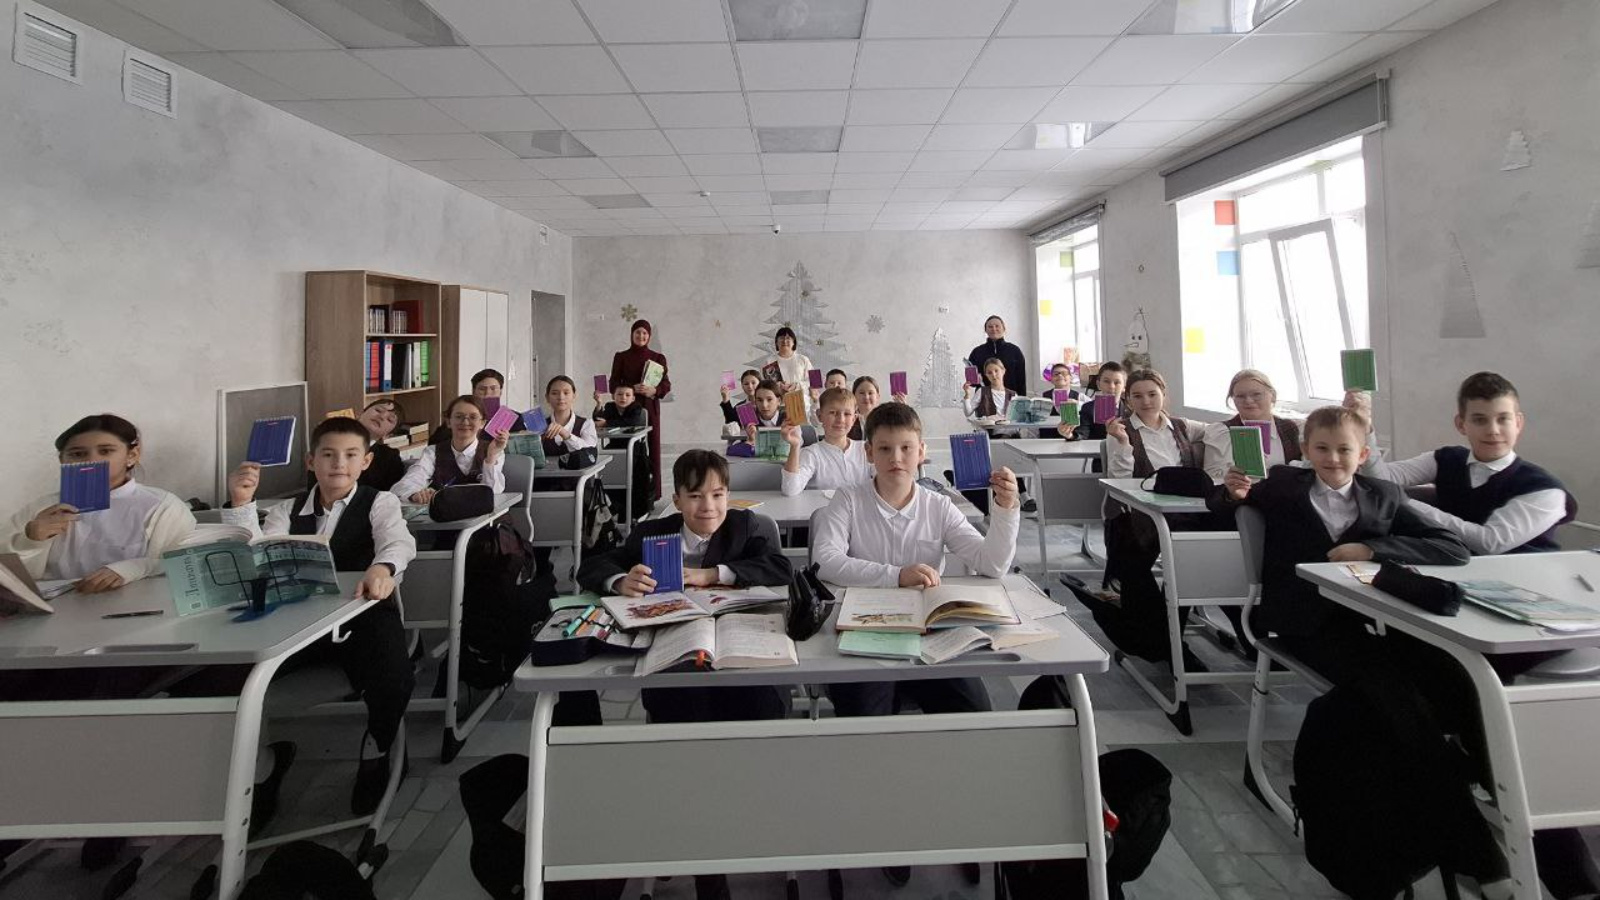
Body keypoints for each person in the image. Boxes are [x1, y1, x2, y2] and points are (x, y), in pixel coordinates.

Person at [225, 417, 418, 815]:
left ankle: (377, 746)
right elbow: (258, 555)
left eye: (350, 455)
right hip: (295, 621)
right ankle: (261, 767)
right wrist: (242, 504)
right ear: (311, 461)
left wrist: (382, 568)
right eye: (328, 455)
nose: (339, 464)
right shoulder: (287, 509)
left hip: (361, 617)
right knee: (228, 681)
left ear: (365, 461)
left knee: (394, 674)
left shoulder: (378, 502)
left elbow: (397, 541)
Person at [812, 402, 1021, 718]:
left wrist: (1006, 509)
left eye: (906, 448)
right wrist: (896, 576)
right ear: (869, 452)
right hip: (867, 626)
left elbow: (992, 564)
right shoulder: (848, 499)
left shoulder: (939, 506)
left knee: (974, 712)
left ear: (921, 451)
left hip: (931, 631)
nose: (896, 458)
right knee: (866, 715)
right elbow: (825, 560)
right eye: (885, 448)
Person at [1360, 372, 1575, 554]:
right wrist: (1364, 428)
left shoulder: (1546, 489)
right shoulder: (1447, 459)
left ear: (1518, 423)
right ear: (1461, 424)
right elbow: (1381, 480)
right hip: (1453, 571)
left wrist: (1402, 501)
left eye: (1503, 419)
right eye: (1480, 420)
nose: (1493, 430)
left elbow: (1489, 543)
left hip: (1526, 583)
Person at [1, 413, 195, 593]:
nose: (91, 460)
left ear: (132, 455)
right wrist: (30, 539)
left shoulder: (162, 507)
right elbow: (9, 576)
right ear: (62, 460)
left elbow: (187, 566)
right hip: (57, 609)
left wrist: (136, 567)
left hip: (136, 608)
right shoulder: (42, 508)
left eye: (105, 451)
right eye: (78, 454)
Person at [392, 395, 508, 503]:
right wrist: (415, 494)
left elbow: (494, 493)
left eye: (473, 417)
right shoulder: (433, 452)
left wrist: (490, 459)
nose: (465, 422)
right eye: (459, 417)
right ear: (448, 422)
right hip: (446, 515)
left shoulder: (493, 450)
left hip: (485, 515)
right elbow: (403, 486)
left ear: (482, 423)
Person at [1201, 369, 1304, 479]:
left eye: (1256, 394)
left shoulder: (1290, 428)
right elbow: (1214, 479)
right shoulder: (1222, 432)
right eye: (1240, 396)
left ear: (1272, 396)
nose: (1248, 401)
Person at [610, 319, 670, 500]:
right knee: (629, 446)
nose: (641, 336)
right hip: (627, 408)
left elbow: (666, 385)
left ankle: (653, 493)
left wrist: (654, 390)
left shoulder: (658, 358)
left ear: (649, 336)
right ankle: (628, 492)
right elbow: (613, 384)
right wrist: (631, 389)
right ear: (632, 334)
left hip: (650, 407)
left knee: (653, 448)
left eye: (645, 333)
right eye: (638, 332)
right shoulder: (621, 357)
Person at [781, 387, 869, 496]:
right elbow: (790, 490)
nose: (840, 420)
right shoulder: (812, 453)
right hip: (822, 506)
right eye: (833, 413)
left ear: (854, 419)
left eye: (847, 414)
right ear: (819, 415)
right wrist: (795, 446)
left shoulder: (865, 449)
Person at [428, 368, 523, 445]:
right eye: (482, 389)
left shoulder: (514, 418)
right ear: (473, 392)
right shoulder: (461, 416)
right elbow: (434, 442)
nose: (487, 394)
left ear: (501, 392)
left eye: (493, 389)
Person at [1059, 361, 1127, 443]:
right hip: (1097, 450)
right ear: (1098, 384)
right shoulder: (1088, 408)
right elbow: (1082, 433)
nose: (1111, 386)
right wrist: (1069, 434)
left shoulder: (1131, 408)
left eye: (1117, 382)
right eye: (1106, 381)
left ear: (1124, 387)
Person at [349, 399, 408, 491]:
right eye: (378, 410)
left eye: (390, 419)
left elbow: (390, 494)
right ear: (361, 413)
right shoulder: (331, 438)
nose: (381, 416)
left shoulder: (389, 458)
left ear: (388, 435)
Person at [967, 315, 1027, 397]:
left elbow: (1021, 380)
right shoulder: (977, 352)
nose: (994, 329)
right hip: (984, 399)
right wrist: (974, 378)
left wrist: (1022, 400)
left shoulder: (1015, 351)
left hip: (1010, 399)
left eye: (997, 326)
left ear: (1004, 328)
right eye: (990, 327)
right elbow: (972, 383)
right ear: (985, 330)